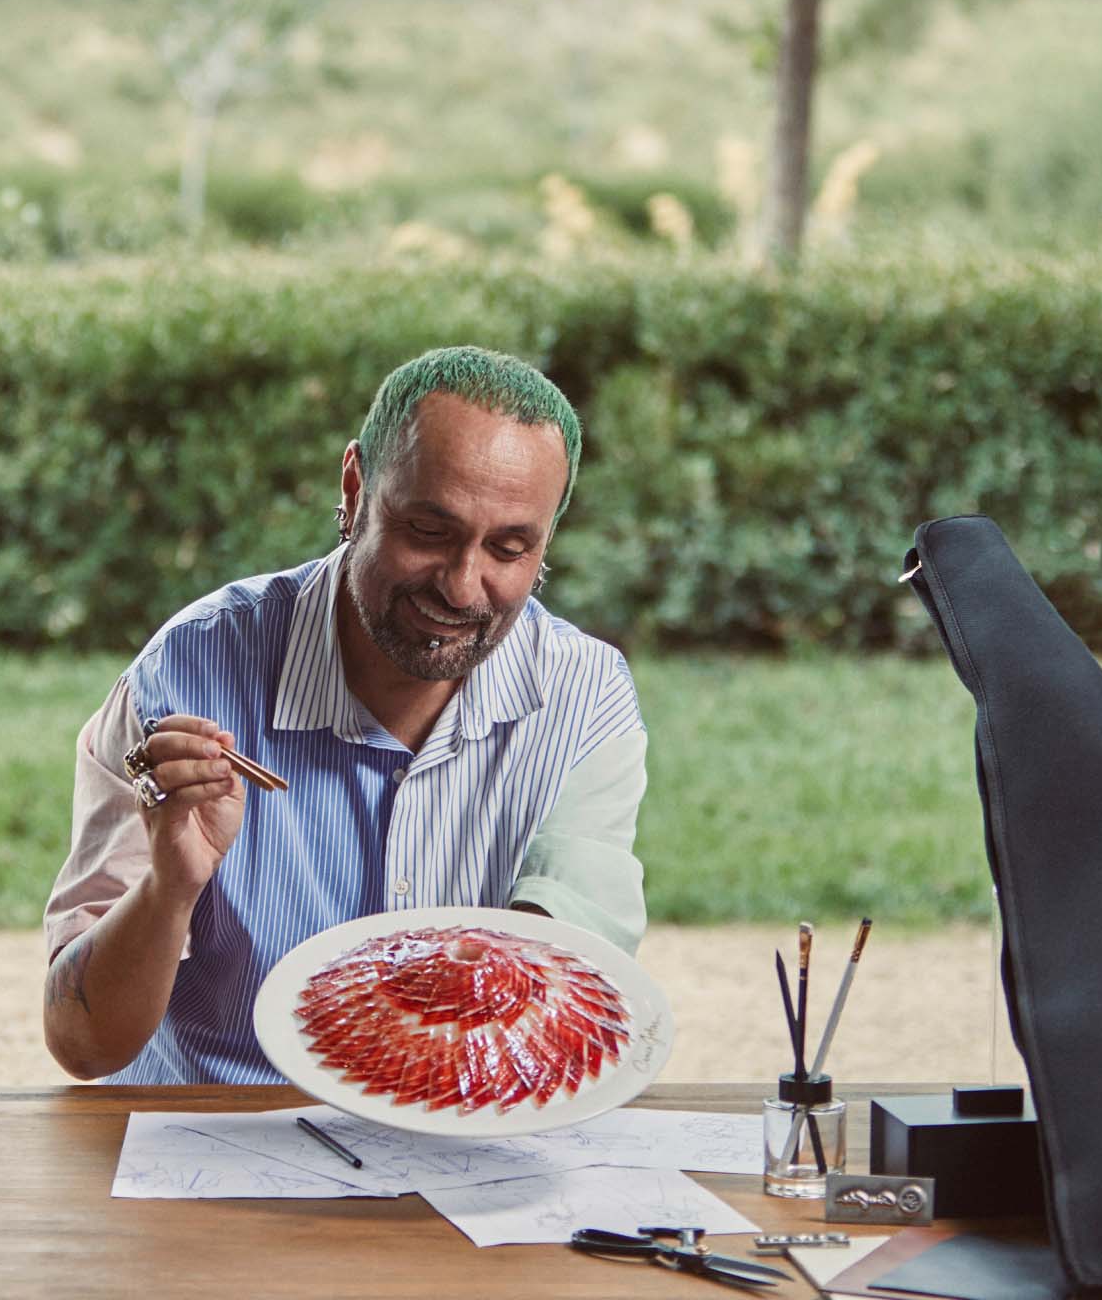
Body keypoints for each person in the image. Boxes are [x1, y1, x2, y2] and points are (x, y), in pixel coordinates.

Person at [41, 345, 649, 1082]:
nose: (462, 587)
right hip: (219, 1150)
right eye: (428, 531)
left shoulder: (584, 697)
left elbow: (561, 993)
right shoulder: (188, 673)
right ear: (356, 487)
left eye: (509, 548)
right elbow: (82, 1045)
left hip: (453, 1139)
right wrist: (169, 890)